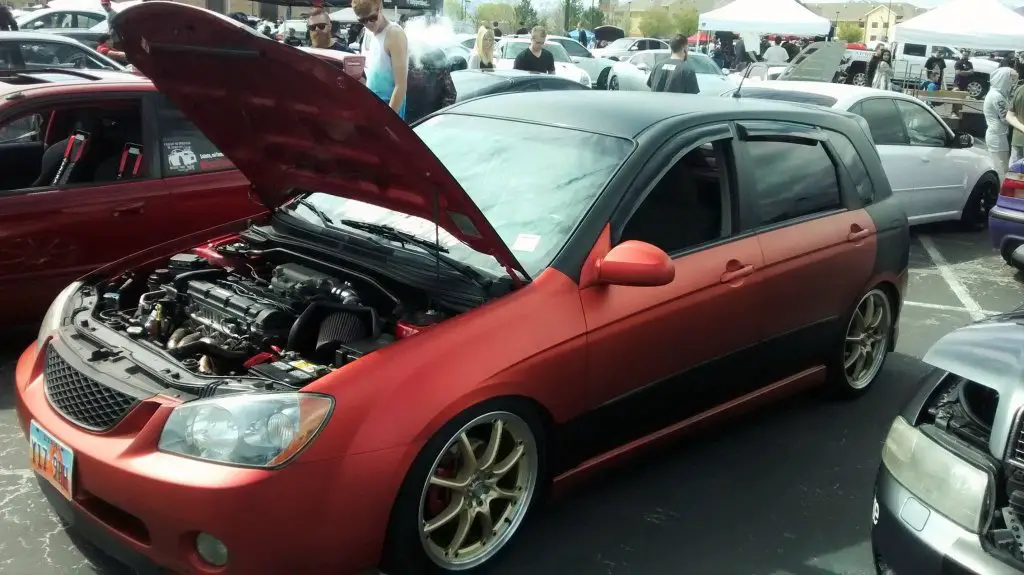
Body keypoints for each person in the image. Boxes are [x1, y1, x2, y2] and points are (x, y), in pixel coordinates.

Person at [355, 0, 408, 119]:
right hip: (372, 107)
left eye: (372, 18)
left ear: (380, 9)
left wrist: (387, 121)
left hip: (390, 109)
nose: (368, 23)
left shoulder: (394, 34)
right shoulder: (367, 32)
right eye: (362, 20)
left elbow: (401, 86)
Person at [404, 46, 457, 123]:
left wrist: (441, 117)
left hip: (431, 116)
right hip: (411, 116)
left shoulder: (437, 57)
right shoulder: (406, 54)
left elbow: (450, 94)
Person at [984, 68, 1019, 179]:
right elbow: (1006, 118)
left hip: (999, 135)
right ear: (1003, 79)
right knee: (1002, 169)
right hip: (997, 137)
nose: (1013, 83)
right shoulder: (996, 96)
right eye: (1012, 79)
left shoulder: (998, 94)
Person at [1009, 81, 1024, 166]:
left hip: (1017, 139)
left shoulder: (1020, 89)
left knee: (1014, 173)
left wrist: (1022, 127)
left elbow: (1009, 115)